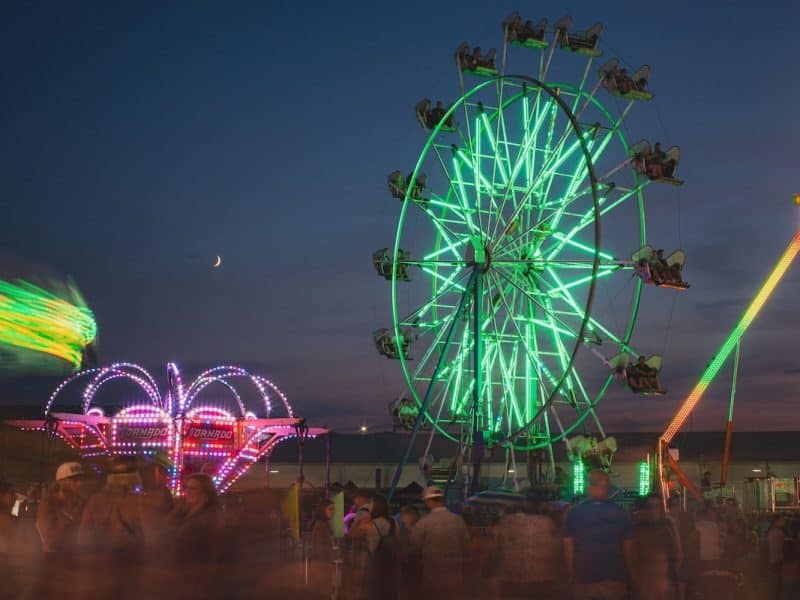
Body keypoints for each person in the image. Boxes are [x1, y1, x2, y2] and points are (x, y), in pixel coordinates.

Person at [563, 470, 635, 600]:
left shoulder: (574, 514)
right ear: (607, 489)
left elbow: (568, 550)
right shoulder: (622, 514)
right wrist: (630, 578)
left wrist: (571, 579)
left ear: (589, 487)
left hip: (583, 583)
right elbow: (628, 551)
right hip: (614, 582)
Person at [492, 493, 564, 599]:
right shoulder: (549, 523)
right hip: (544, 582)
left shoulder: (507, 522)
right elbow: (558, 550)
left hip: (511, 582)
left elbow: (496, 549)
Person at [409, 486, 470, 599]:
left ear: (428, 501)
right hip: (455, 576)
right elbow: (466, 547)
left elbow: (414, 548)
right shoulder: (458, 520)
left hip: (432, 576)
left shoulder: (424, 523)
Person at [633, 494, 680, 600]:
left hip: (665, 581)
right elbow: (633, 558)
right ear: (645, 509)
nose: (654, 509)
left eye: (657, 506)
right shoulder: (638, 529)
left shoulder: (669, 526)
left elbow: (679, 553)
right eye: (650, 506)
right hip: (646, 581)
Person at [36, 461, 86, 553]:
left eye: (81, 479)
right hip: (54, 558)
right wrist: (70, 517)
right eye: (74, 480)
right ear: (61, 482)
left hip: (77, 556)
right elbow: (49, 540)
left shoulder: (82, 502)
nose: (80, 483)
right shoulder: (48, 503)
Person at [354, 494, 397, 599]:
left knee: (372, 592)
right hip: (389, 563)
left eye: (371, 503)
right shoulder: (393, 522)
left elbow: (353, 534)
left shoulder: (371, 523)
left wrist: (359, 520)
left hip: (374, 562)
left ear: (376, 506)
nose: (369, 506)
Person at [310, 499, 335, 596]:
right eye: (330, 509)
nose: (333, 512)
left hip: (321, 563)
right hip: (322, 563)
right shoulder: (321, 525)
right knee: (324, 591)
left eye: (334, 509)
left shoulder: (323, 523)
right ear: (322, 510)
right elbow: (320, 547)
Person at [766, 514, 785, 599]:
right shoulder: (778, 533)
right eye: (782, 520)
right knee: (778, 583)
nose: (784, 521)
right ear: (777, 521)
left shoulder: (771, 531)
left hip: (772, 559)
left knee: (775, 583)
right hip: (778, 559)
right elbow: (780, 548)